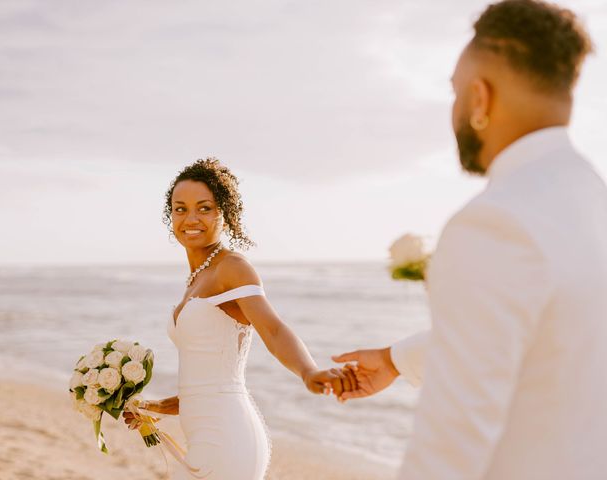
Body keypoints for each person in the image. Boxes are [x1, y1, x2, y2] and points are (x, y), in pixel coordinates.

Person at [333, 1, 607, 478]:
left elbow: (450, 444)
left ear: (480, 99)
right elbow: (546, 342)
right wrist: (396, 360)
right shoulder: (592, 198)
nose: (454, 110)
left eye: (455, 93)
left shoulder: (493, 222)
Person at [123, 159, 355, 479]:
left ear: (225, 213)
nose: (190, 218)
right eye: (180, 209)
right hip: (202, 436)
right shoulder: (195, 280)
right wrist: (152, 407)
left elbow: (272, 329)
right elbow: (205, 382)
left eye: (204, 208)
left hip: (229, 439)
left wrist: (308, 371)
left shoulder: (232, 268)